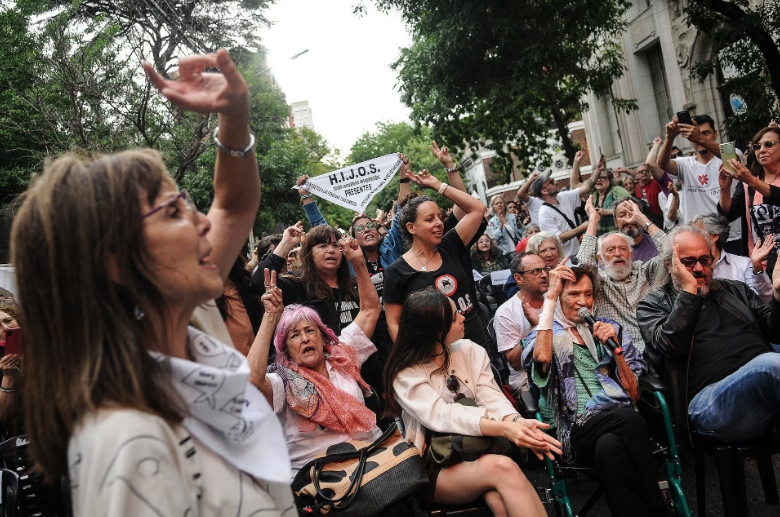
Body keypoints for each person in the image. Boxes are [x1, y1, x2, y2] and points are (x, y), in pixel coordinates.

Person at [11, 50, 294, 515]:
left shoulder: (191, 320)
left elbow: (234, 203)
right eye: (174, 211)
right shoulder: (129, 443)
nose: (203, 221)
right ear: (115, 262)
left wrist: (235, 115)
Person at [384, 288, 561, 517]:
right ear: (436, 330)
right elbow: (443, 416)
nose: (462, 317)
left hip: (481, 451)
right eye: (455, 315)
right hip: (436, 467)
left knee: (502, 502)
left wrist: (516, 421)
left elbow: (491, 396)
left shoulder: (469, 350)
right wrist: (505, 429)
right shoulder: (405, 375)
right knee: (503, 468)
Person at [522, 263, 666, 516]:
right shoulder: (544, 334)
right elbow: (542, 359)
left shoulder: (609, 329)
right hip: (573, 429)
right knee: (628, 417)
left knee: (610, 449)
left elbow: (633, 394)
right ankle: (660, 509)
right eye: (574, 294)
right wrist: (551, 297)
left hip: (615, 427)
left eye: (588, 294)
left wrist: (616, 351)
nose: (583, 302)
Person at [637, 225, 780, 443]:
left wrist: (778, 297)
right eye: (688, 262)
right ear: (670, 264)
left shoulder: (734, 290)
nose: (698, 269)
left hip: (763, 391)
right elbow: (670, 348)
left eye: (705, 260)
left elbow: (775, 332)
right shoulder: (653, 304)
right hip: (709, 403)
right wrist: (688, 292)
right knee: (771, 365)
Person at [248, 265, 383, 474]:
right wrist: (270, 316)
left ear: (323, 337)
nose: (304, 338)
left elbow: (370, 310)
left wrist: (357, 262)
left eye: (310, 331)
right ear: (286, 350)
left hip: (370, 459)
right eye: (294, 335)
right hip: (318, 478)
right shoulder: (282, 381)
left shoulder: (341, 355)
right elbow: (252, 380)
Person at [383, 168, 488, 346]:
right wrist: (411, 359)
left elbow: (478, 208)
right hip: (434, 355)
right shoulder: (396, 272)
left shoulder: (450, 245)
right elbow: (394, 323)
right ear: (411, 227)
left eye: (439, 217)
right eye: (429, 219)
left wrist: (438, 186)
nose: (439, 223)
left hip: (477, 344)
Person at [576, 197, 666, 355]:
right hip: (625, 358)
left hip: (661, 347)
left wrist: (642, 219)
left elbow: (671, 252)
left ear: (631, 254)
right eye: (610, 250)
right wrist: (593, 220)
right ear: (600, 260)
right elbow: (583, 265)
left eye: (623, 249)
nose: (618, 254)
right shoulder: (599, 284)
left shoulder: (645, 272)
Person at [658, 113, 742, 254]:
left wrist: (699, 138)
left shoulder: (728, 152)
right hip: (698, 240)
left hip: (731, 237)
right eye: (695, 136)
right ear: (690, 141)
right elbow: (662, 164)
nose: (699, 139)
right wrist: (670, 137)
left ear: (715, 134)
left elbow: (733, 157)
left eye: (706, 133)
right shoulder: (684, 164)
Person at [718, 126, 780, 274]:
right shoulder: (747, 185)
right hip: (760, 266)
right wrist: (724, 189)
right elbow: (729, 213)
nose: (762, 150)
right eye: (757, 147)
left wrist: (752, 180)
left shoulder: (750, 181)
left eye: (769, 144)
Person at [494, 253, 550, 395]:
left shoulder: (554, 298)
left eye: (545, 269)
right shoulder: (506, 313)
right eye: (535, 271)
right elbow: (517, 364)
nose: (544, 275)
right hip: (527, 377)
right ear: (518, 278)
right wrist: (534, 328)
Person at [691, 213, 774, 303]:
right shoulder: (689, 266)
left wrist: (757, 267)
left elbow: (765, 298)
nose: (691, 238)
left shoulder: (743, 265)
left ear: (714, 237)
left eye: (697, 232)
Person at [536, 157, 602, 257]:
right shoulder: (544, 213)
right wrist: (583, 227)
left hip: (579, 254)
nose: (556, 182)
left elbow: (587, 187)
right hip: (566, 259)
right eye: (551, 182)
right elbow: (557, 238)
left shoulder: (563, 197)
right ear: (544, 191)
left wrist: (598, 170)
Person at [613, 197, 662, 263]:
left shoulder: (656, 243)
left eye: (632, 214)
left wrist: (645, 222)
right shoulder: (609, 248)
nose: (628, 220)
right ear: (615, 222)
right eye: (622, 215)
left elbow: (670, 251)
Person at [588, 169, 631, 237]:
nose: (599, 180)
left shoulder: (617, 190)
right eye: (597, 177)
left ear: (610, 180)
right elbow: (575, 184)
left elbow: (630, 207)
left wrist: (608, 212)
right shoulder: (593, 194)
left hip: (618, 236)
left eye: (602, 177)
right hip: (599, 238)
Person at [0, 298, 22, 426]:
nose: (5, 328)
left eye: (8, 321)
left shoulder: (42, 351)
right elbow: (3, 415)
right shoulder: (2, 363)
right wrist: (8, 377)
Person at [487, 195, 521, 261]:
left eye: (501, 203)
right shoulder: (492, 221)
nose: (499, 205)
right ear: (493, 207)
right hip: (504, 253)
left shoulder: (512, 217)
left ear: (504, 204)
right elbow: (494, 238)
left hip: (517, 250)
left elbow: (522, 233)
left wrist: (518, 222)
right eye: (496, 204)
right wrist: (501, 223)